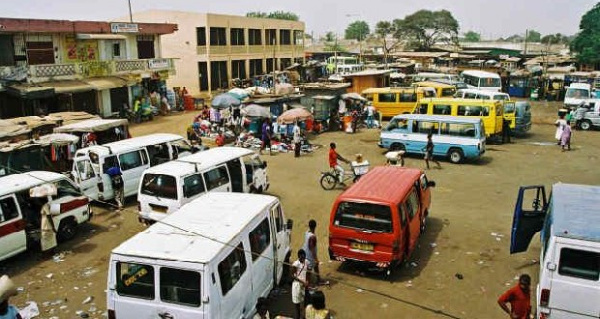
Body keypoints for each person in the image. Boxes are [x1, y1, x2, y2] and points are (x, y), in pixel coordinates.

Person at [291, 249, 310, 319]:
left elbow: (308, 272)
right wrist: (303, 282)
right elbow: (292, 276)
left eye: (304, 257)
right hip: (297, 286)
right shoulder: (296, 264)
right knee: (297, 305)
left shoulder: (307, 262)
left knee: (306, 303)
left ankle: (304, 316)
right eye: (302, 257)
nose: (303, 259)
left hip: (304, 286)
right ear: (299, 257)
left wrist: (307, 281)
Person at [302, 220, 322, 284]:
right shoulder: (313, 237)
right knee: (309, 271)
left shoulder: (307, 232)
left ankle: (318, 279)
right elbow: (312, 248)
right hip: (310, 256)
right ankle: (307, 284)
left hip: (305, 252)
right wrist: (316, 259)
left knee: (316, 266)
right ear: (315, 226)